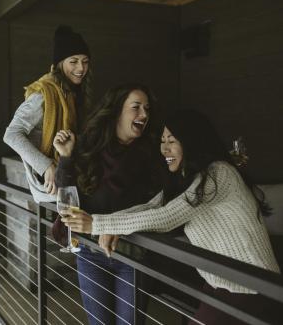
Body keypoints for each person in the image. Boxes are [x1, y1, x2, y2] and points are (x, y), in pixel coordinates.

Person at [62, 109, 281, 324]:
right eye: (162, 141)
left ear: (192, 141)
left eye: (172, 141)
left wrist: (97, 224)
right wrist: (108, 225)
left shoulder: (219, 173)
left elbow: (167, 217)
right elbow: (151, 207)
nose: (165, 149)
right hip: (222, 283)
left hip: (253, 287)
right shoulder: (189, 178)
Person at [53, 84, 163, 325]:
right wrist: (66, 157)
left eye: (147, 109)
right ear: (117, 112)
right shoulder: (89, 147)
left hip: (132, 256)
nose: (144, 115)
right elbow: (66, 194)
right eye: (136, 108)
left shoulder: (151, 154)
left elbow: (155, 206)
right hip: (90, 254)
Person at [3, 25, 93, 203]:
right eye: (73, 61)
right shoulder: (43, 95)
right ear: (60, 64)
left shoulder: (71, 93)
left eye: (85, 61)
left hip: (66, 177)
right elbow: (11, 134)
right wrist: (46, 166)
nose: (81, 68)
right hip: (48, 184)